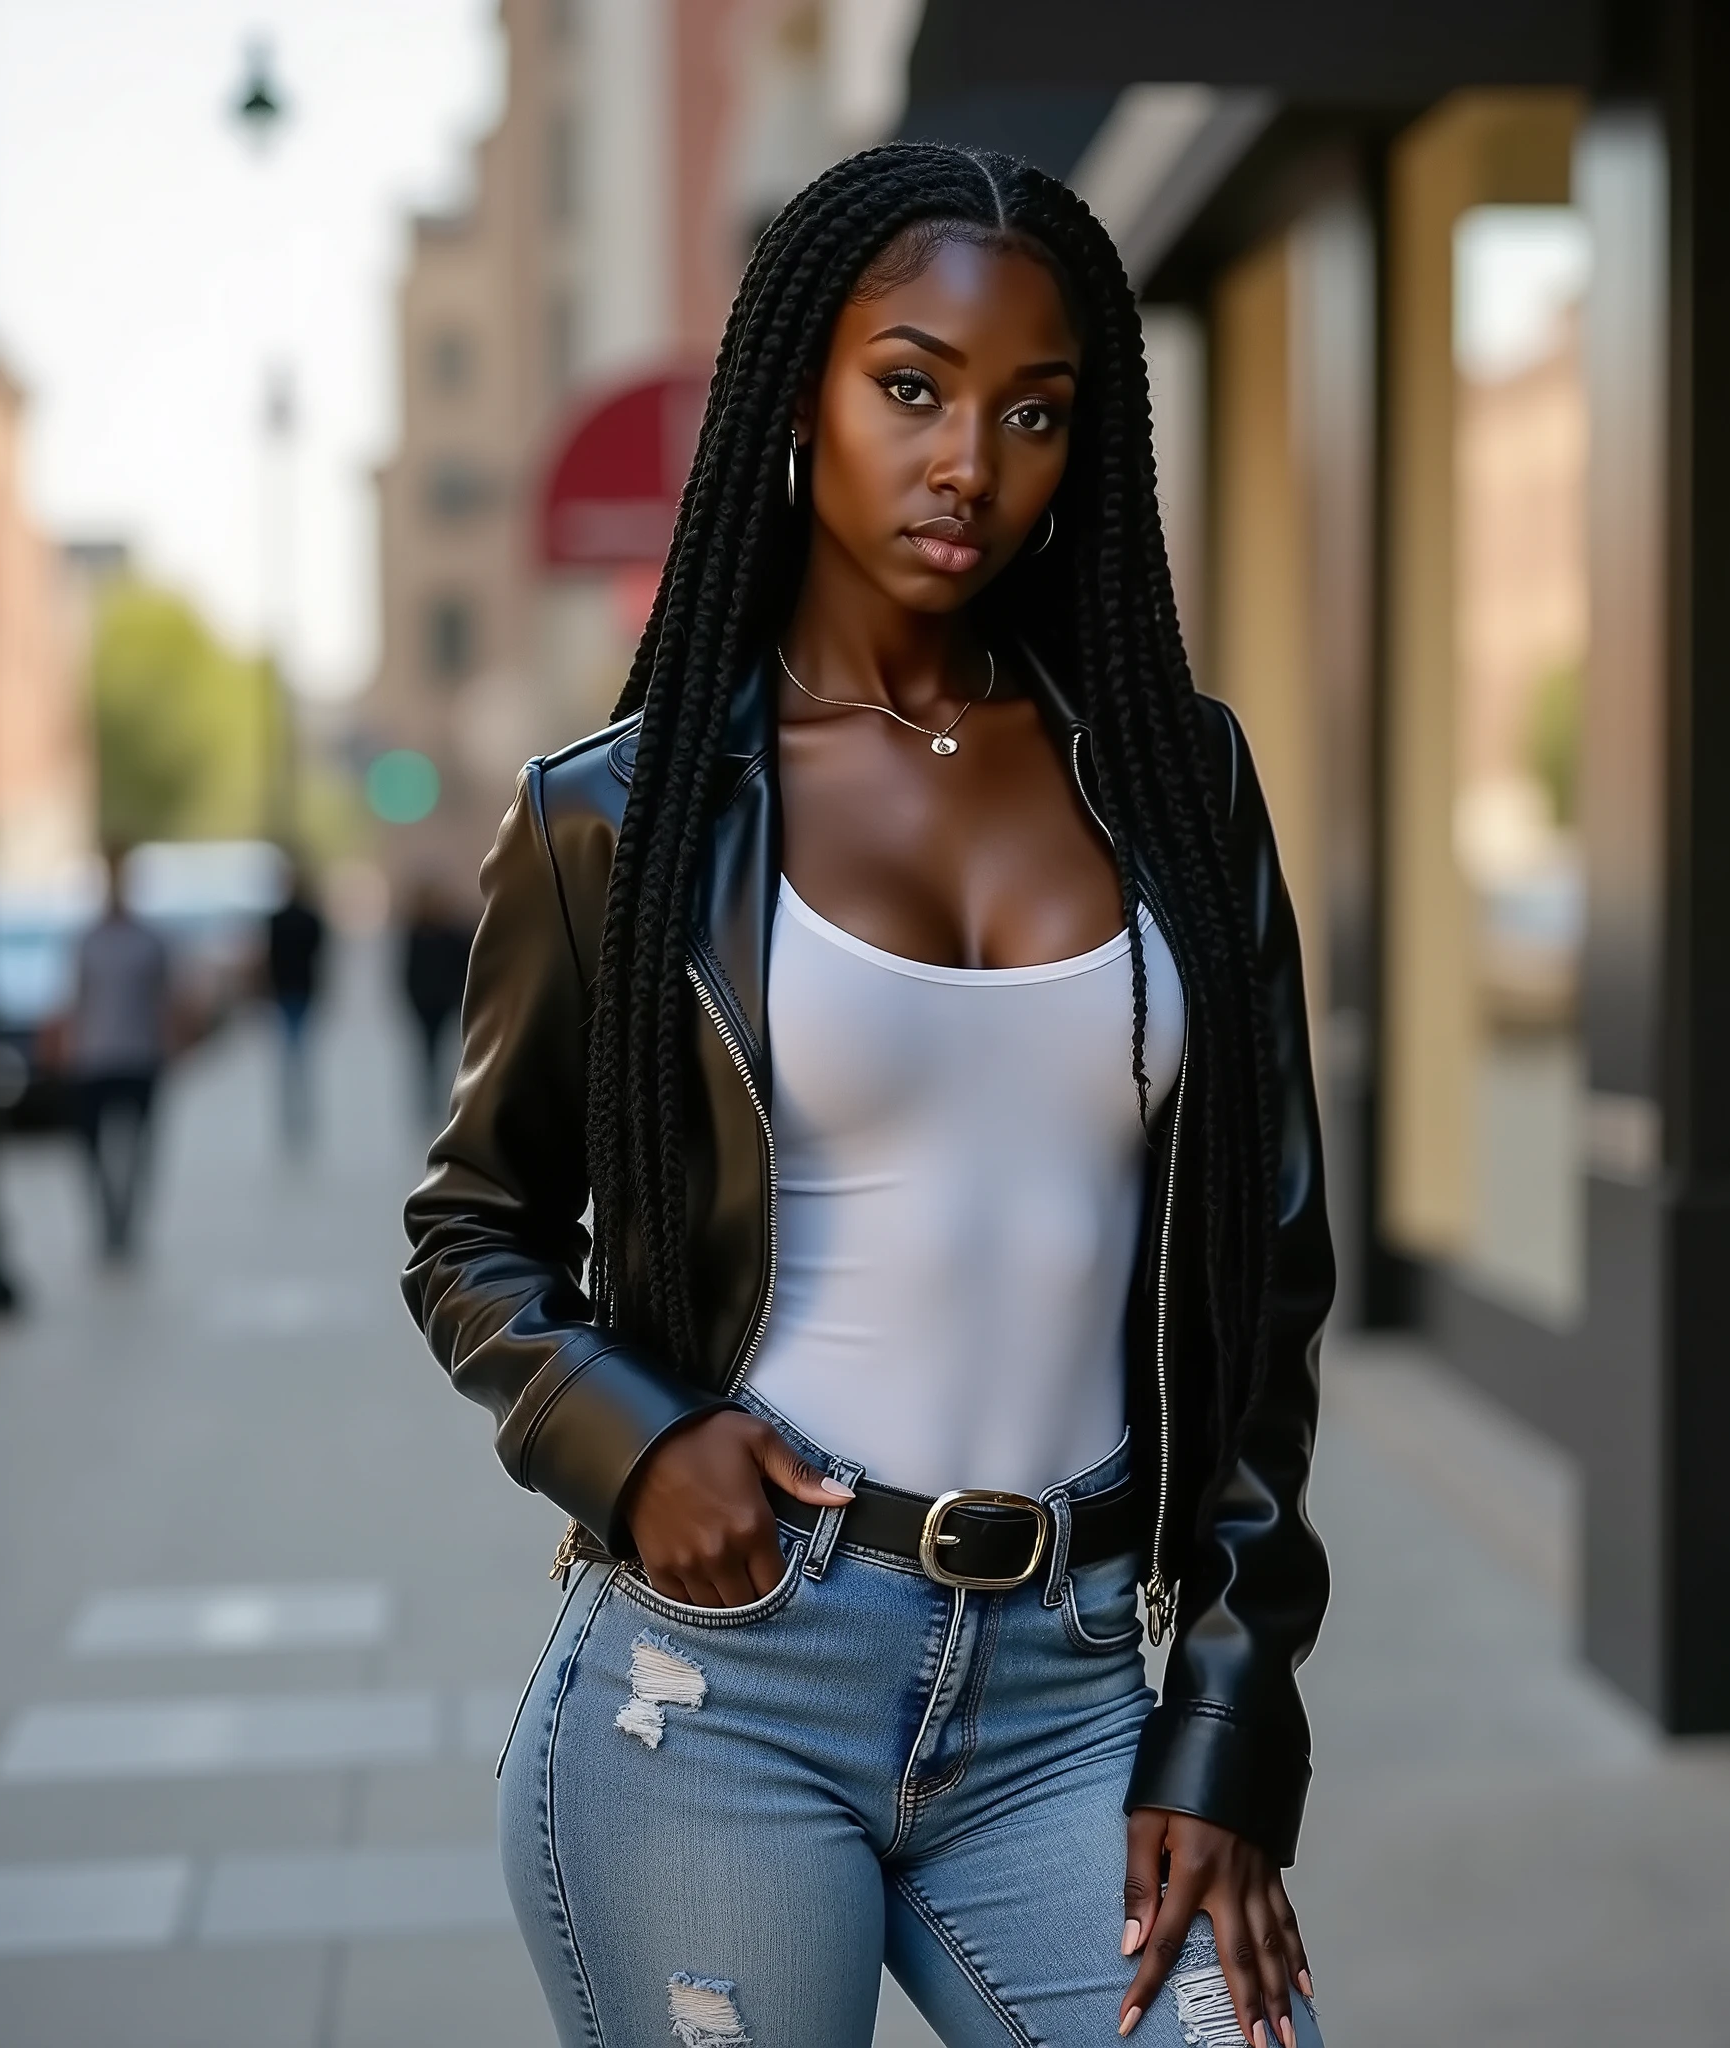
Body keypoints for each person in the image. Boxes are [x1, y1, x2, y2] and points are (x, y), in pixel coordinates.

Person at [403, 144, 1333, 2048]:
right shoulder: (615, 816)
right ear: (793, 396)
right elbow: (471, 1230)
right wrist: (630, 1440)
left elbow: (1267, 1272)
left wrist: (1229, 1712)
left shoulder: (1176, 778)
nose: (967, 461)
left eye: (1033, 412)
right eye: (909, 386)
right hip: (721, 1691)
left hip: (1074, 1682)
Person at [70, 849, 172, 1259]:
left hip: (139, 1057)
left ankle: (127, 1224)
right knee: (92, 1149)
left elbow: (165, 1000)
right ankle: (107, 1223)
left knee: (138, 1150)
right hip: (94, 1059)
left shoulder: (149, 941)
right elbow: (77, 998)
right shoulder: (87, 941)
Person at [398, 881, 473, 1122]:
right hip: (424, 1002)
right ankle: (430, 1098)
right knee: (428, 1050)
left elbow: (464, 967)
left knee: (444, 1051)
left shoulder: (452, 935)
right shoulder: (416, 933)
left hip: (443, 1000)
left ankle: (444, 1096)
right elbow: (409, 969)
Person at [265, 865, 326, 1147]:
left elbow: (271, 957)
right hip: (301, 988)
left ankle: (292, 1110)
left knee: (290, 1048)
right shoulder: (309, 919)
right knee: (299, 1047)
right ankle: (301, 1109)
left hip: (286, 989)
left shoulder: (277, 919)